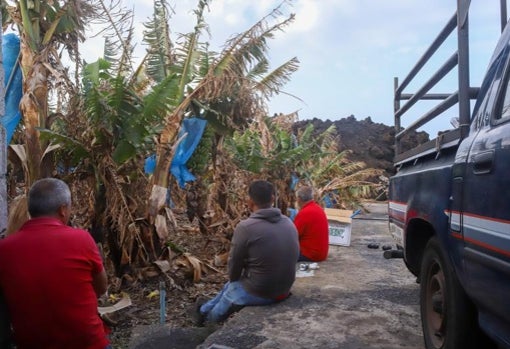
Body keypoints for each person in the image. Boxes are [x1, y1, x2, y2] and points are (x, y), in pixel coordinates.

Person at [0, 178, 110, 349]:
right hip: (87, 343)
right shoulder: (81, 239)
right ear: (63, 210)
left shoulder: (4, 249)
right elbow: (102, 287)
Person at [196, 180, 299, 324]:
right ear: (272, 199)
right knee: (229, 286)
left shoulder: (246, 227)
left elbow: (234, 265)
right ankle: (203, 309)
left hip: (263, 292)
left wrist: (234, 280)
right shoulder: (289, 222)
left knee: (230, 292)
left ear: (249, 201)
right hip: (284, 289)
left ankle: (206, 323)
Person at [294, 186, 329, 262]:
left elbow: (293, 235)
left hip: (310, 254)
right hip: (321, 253)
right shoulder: (318, 209)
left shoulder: (304, 213)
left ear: (299, 199)